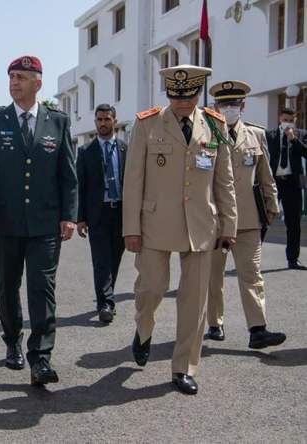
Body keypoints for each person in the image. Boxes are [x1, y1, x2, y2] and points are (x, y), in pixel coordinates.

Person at [123, 65, 237, 395]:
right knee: (152, 288)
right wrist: (131, 228)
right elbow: (133, 181)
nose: (182, 102)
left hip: (201, 225)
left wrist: (229, 224)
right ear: (168, 93)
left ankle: (184, 366)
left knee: (194, 300)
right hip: (155, 223)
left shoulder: (215, 126)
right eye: (176, 95)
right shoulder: (147, 124)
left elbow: (224, 180)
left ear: (198, 93)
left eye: (188, 96)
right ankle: (144, 329)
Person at [0, 55, 77, 386]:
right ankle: (12, 340)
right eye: (11, 77)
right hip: (5, 222)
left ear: (38, 83)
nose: (14, 82)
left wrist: (69, 216)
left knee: (42, 288)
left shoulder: (57, 122)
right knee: (7, 285)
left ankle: (41, 357)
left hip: (46, 223)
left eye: (20, 77)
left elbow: (68, 175)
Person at [204, 80, 286, 349]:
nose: (229, 108)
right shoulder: (204, 135)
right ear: (215, 106)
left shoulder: (256, 135)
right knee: (213, 276)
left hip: (249, 218)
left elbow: (266, 176)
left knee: (252, 274)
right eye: (224, 104)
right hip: (214, 219)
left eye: (234, 104)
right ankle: (215, 323)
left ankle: (257, 329)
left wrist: (272, 205)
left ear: (242, 105)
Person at [76, 104, 127, 324]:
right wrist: (80, 217)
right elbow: (81, 186)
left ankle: (108, 296)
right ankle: (105, 303)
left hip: (121, 213)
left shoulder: (126, 148)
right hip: (97, 214)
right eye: (99, 119)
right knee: (101, 261)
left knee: (115, 259)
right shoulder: (86, 151)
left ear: (114, 121)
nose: (102, 123)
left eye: (107, 119)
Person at [266, 108, 307, 270]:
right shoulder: (270, 135)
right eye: (285, 119)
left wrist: (294, 140)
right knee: (263, 220)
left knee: (293, 222)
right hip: (273, 182)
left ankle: (292, 259)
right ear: (279, 119)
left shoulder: (302, 134)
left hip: (292, 183)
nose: (287, 123)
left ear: (295, 120)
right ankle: (251, 259)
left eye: (290, 120)